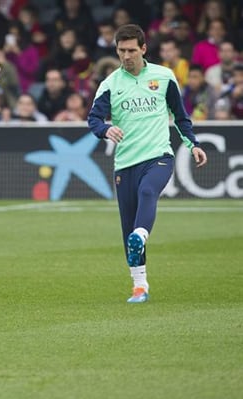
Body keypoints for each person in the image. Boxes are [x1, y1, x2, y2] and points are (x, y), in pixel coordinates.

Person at [87, 24, 207, 303]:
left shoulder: (164, 77)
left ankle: (142, 234)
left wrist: (194, 145)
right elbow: (93, 119)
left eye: (131, 50)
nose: (126, 56)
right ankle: (139, 286)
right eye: (121, 51)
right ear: (116, 51)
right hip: (125, 163)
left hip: (158, 156)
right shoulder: (110, 85)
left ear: (143, 49)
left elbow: (180, 116)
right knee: (127, 227)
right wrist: (105, 130)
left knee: (148, 193)